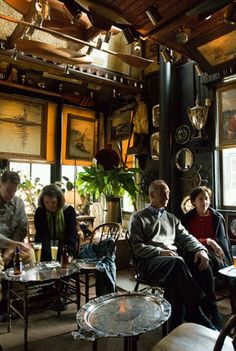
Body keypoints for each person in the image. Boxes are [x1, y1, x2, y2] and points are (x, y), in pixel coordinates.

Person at [128, 179, 220, 331]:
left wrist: (201, 250)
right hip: (149, 263)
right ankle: (194, 311)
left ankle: (211, 309)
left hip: (173, 264)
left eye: (168, 193)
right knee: (177, 263)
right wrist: (160, 251)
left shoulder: (172, 218)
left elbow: (187, 237)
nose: (167, 196)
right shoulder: (138, 217)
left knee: (201, 261)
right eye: (163, 193)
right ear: (151, 195)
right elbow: (137, 247)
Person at [0, 170, 34, 322]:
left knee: (30, 256)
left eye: (14, 191)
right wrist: (12, 245)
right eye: (8, 190)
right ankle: (2, 304)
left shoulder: (18, 202)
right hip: (5, 245)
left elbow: (22, 228)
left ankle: (15, 298)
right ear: (0, 185)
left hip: (12, 246)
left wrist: (10, 250)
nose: (11, 194)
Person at [182, 186, 232, 274]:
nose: (205, 202)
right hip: (194, 251)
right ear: (194, 202)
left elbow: (222, 242)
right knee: (198, 259)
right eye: (201, 199)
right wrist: (208, 241)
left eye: (206, 199)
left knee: (204, 261)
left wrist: (212, 244)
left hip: (216, 254)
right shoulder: (187, 219)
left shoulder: (217, 218)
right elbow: (187, 240)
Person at [34, 184, 77, 262]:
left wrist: (69, 254)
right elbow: (41, 236)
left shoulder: (69, 211)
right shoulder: (40, 212)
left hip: (65, 249)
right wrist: (51, 257)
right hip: (45, 250)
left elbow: (72, 235)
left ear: (59, 200)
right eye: (47, 202)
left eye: (53, 202)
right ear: (42, 202)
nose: (50, 205)